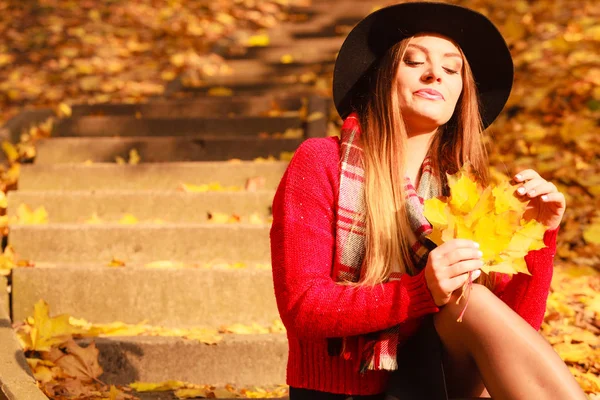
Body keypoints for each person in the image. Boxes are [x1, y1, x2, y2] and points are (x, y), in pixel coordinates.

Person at [269, 2, 587, 399]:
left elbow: (512, 338)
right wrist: (420, 292)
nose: (435, 72)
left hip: (441, 381)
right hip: (347, 389)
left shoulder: (463, 191)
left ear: (460, 94)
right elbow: (302, 306)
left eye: (452, 69)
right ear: (383, 78)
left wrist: (539, 233)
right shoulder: (321, 162)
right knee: (465, 301)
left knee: (471, 302)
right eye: (414, 61)